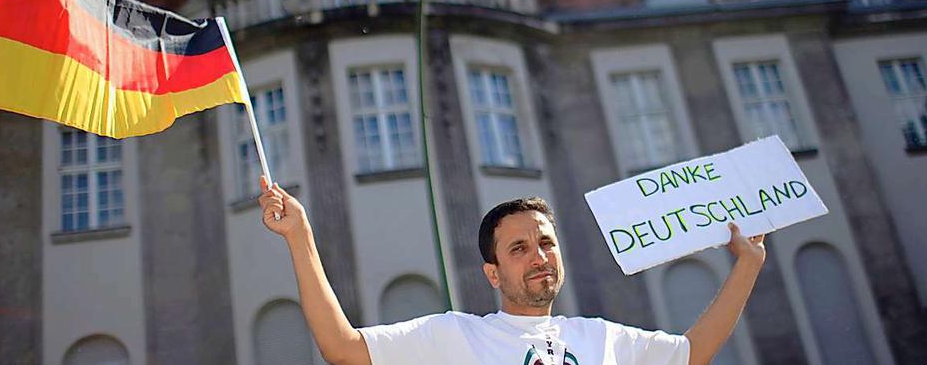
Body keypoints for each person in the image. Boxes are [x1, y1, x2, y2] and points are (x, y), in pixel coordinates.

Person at [258, 177, 766, 365]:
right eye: (519, 248)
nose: (540, 255)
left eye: (546, 242)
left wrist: (748, 263)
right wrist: (300, 238)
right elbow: (342, 348)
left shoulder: (603, 340)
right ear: (493, 273)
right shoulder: (454, 337)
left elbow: (694, 353)